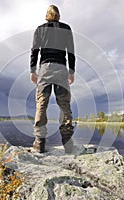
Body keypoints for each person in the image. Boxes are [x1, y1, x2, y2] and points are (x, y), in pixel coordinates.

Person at [30, 5, 75, 153]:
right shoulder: (66, 28)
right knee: (64, 104)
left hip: (45, 69)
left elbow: (35, 51)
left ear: (47, 15)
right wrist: (71, 71)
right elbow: (71, 52)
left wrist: (32, 70)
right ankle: (68, 143)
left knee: (42, 103)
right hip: (61, 68)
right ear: (58, 15)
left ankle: (39, 142)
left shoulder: (40, 29)